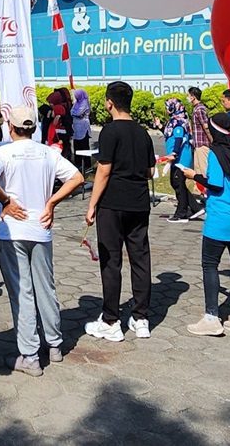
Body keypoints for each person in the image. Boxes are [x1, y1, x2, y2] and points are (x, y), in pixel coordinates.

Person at [0, 106, 83, 377]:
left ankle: (29, 355)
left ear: (10, 127)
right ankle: (54, 344)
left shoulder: (2, 153)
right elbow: (77, 178)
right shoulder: (48, 153)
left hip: (13, 231)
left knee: (22, 292)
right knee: (45, 287)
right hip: (41, 228)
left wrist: (5, 201)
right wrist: (52, 202)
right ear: (34, 127)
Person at [85, 81, 156, 342]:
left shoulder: (109, 131)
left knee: (111, 260)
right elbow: (150, 171)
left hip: (112, 204)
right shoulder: (143, 133)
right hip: (139, 203)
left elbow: (104, 170)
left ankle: (111, 320)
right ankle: (141, 317)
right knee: (140, 259)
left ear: (109, 103)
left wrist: (92, 204)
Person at [179, 113, 230, 338]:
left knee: (210, 265)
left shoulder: (217, 152)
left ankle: (212, 318)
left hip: (220, 218)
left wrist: (194, 175)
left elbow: (215, 184)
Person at [164, 98, 199, 223]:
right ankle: (196, 208)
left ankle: (181, 213)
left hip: (180, 159)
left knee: (178, 184)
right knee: (177, 183)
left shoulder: (178, 122)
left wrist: (174, 153)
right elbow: (171, 136)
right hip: (177, 158)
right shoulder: (175, 120)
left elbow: (179, 138)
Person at [71, 88, 92, 171]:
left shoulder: (84, 102)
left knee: (84, 146)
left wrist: (75, 114)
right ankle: (78, 163)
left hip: (83, 127)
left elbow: (78, 113)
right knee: (77, 145)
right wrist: (75, 114)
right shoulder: (76, 102)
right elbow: (71, 112)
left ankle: (87, 165)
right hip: (76, 127)